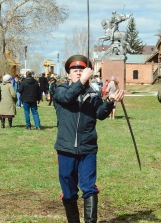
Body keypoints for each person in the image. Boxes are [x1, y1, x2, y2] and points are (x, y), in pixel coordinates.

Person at [53, 54, 124, 223]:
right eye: (75, 71)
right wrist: (82, 82)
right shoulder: (60, 89)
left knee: (89, 188)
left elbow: (100, 114)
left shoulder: (93, 94)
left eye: (82, 70)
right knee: (68, 191)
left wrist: (109, 102)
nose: (78, 73)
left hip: (88, 149)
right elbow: (67, 97)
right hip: (66, 148)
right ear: (69, 74)